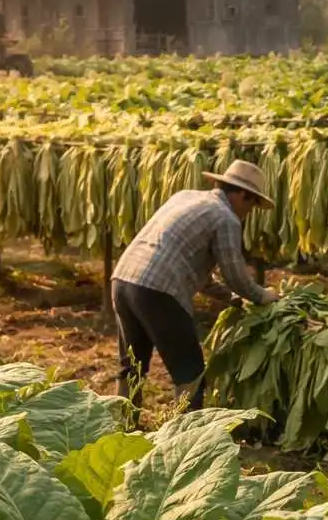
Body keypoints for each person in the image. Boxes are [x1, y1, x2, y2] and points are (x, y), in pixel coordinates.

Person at [111, 160, 278, 411]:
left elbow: (197, 272)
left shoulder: (185, 197)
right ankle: (185, 436)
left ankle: (120, 428)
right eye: (252, 205)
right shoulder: (226, 218)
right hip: (159, 290)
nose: (249, 212)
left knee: (131, 365)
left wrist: (233, 298)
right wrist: (262, 296)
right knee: (190, 372)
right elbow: (234, 272)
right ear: (243, 195)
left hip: (123, 279)